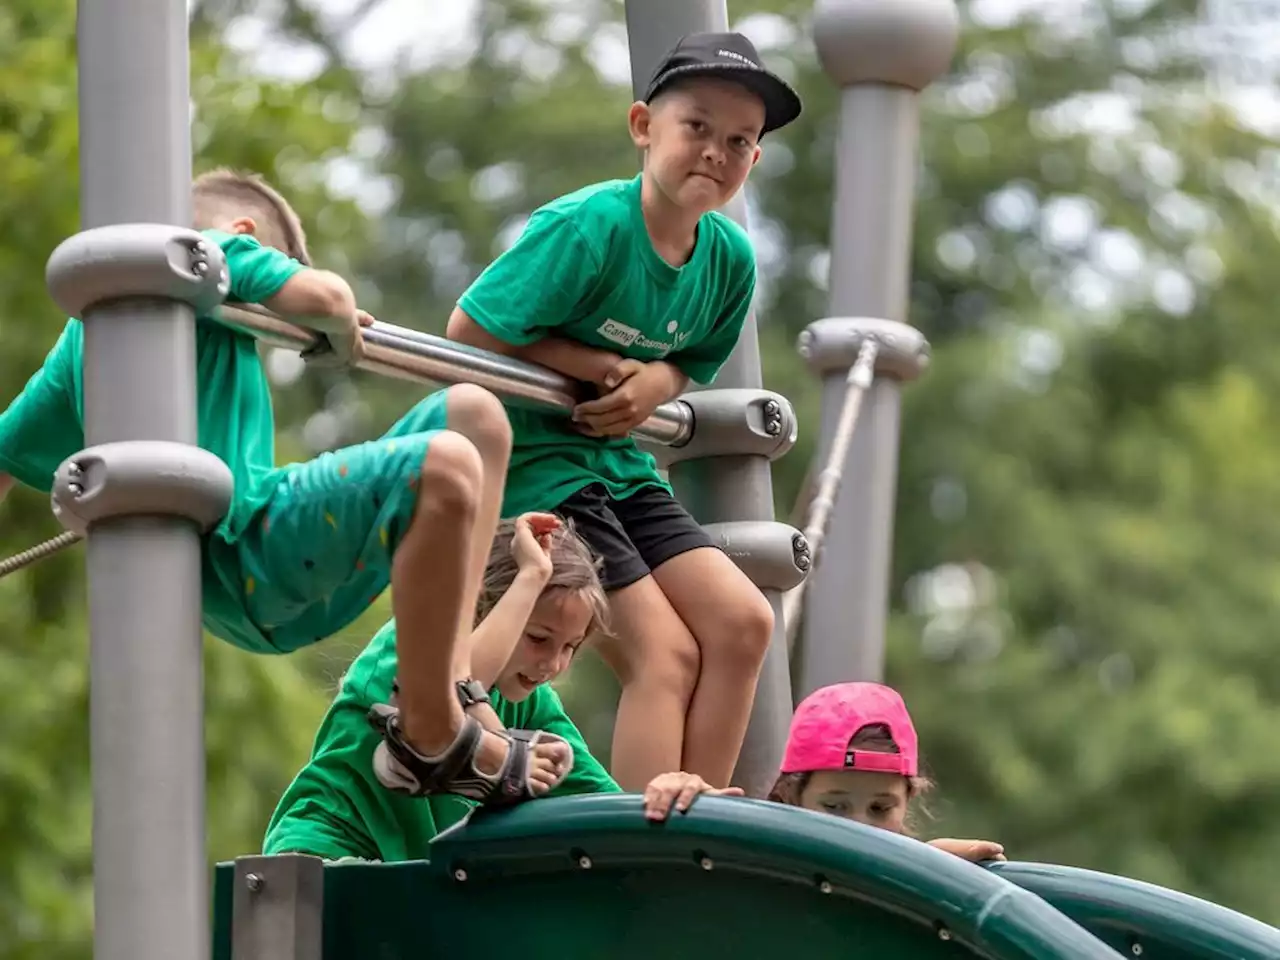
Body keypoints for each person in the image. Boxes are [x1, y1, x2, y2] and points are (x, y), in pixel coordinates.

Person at [0, 169, 574, 792]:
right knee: (446, 462)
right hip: (244, 541)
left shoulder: (88, 333)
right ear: (242, 236)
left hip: (256, 564)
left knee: (478, 414)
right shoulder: (206, 250)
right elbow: (325, 300)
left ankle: (453, 684)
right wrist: (331, 315)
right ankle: (428, 733)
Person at [443, 32, 803, 793]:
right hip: (543, 463)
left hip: (619, 467)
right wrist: (604, 370)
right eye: (696, 127)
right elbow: (469, 331)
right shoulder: (588, 229)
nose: (715, 151)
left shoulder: (728, 260)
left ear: (755, 160)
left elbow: (686, 362)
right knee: (663, 655)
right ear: (644, 127)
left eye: (739, 140)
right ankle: (645, 839)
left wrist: (659, 381)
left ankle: (692, 810)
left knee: (744, 624)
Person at [264, 515, 740, 861]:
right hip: (323, 858)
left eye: (570, 647)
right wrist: (531, 576)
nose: (552, 663)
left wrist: (676, 802)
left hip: (408, 883)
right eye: (538, 638)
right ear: (487, 606)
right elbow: (442, 696)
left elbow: (603, 810)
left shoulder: (534, 707)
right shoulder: (415, 638)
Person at [767, 682, 1006, 863]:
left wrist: (932, 871)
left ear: (907, 800)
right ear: (790, 795)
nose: (859, 827)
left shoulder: (913, 879)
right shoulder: (762, 865)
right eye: (834, 806)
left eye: (879, 809)